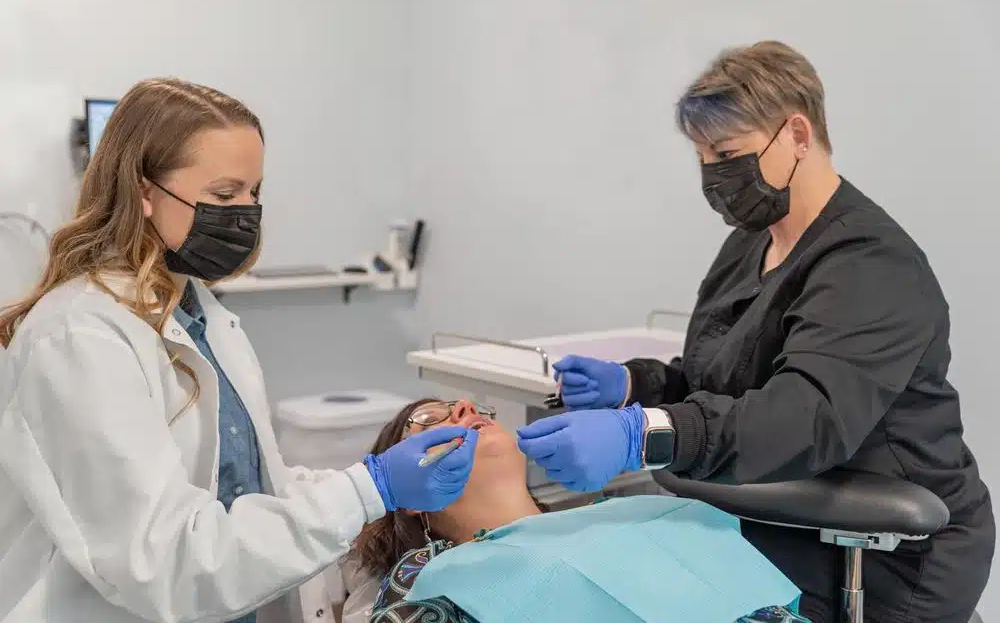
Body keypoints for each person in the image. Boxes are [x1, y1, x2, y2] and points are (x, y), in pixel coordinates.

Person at [516, 41, 995, 623]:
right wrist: (635, 386)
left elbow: (805, 416)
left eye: (727, 151)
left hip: (875, 551)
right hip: (769, 512)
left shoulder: (870, 264)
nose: (714, 175)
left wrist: (644, 434)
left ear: (797, 134)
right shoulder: (753, 242)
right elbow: (729, 375)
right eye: (702, 157)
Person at [0, 78, 478, 623]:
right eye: (225, 195)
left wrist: (368, 483)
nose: (247, 214)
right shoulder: (80, 337)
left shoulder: (200, 314)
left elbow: (247, 487)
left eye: (255, 192)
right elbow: (163, 561)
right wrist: (369, 489)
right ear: (144, 193)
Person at [346, 397, 811, 623]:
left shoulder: (634, 516)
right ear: (407, 497)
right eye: (428, 421)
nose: (464, 406)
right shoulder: (428, 574)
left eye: (467, 404)